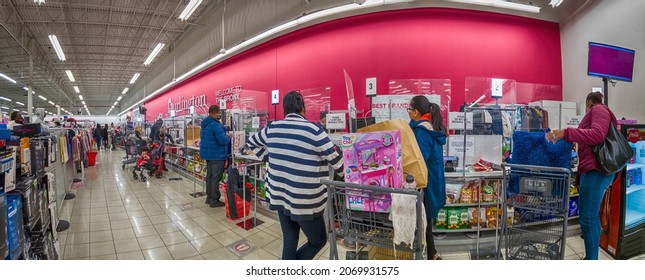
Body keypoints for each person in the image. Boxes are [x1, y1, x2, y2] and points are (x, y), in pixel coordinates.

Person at [246, 91, 343, 260]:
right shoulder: (314, 130)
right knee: (318, 240)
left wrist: (267, 158)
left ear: (285, 109)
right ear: (303, 108)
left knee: (290, 241)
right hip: (305, 200)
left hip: (280, 196)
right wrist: (347, 174)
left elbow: (251, 142)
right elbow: (337, 163)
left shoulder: (273, 128)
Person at [547, 91, 617, 260]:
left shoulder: (598, 109)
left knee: (587, 219)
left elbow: (597, 135)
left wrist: (566, 132)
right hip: (595, 170)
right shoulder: (600, 111)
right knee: (591, 218)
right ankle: (591, 258)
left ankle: (591, 261)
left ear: (588, 103)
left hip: (596, 171)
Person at [407, 95, 447, 260]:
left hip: (426, 183)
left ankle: (431, 256)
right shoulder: (432, 127)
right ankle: (432, 254)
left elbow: (419, 160)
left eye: (409, 109)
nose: (408, 112)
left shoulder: (422, 131)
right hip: (434, 180)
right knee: (427, 223)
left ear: (416, 112)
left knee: (424, 223)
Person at [200, 105, 230, 208]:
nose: (219, 115)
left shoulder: (205, 124)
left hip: (208, 155)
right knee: (215, 178)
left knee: (210, 176)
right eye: (218, 113)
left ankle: (209, 198)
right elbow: (222, 140)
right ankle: (214, 200)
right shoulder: (215, 125)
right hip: (217, 155)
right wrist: (228, 137)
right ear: (214, 112)